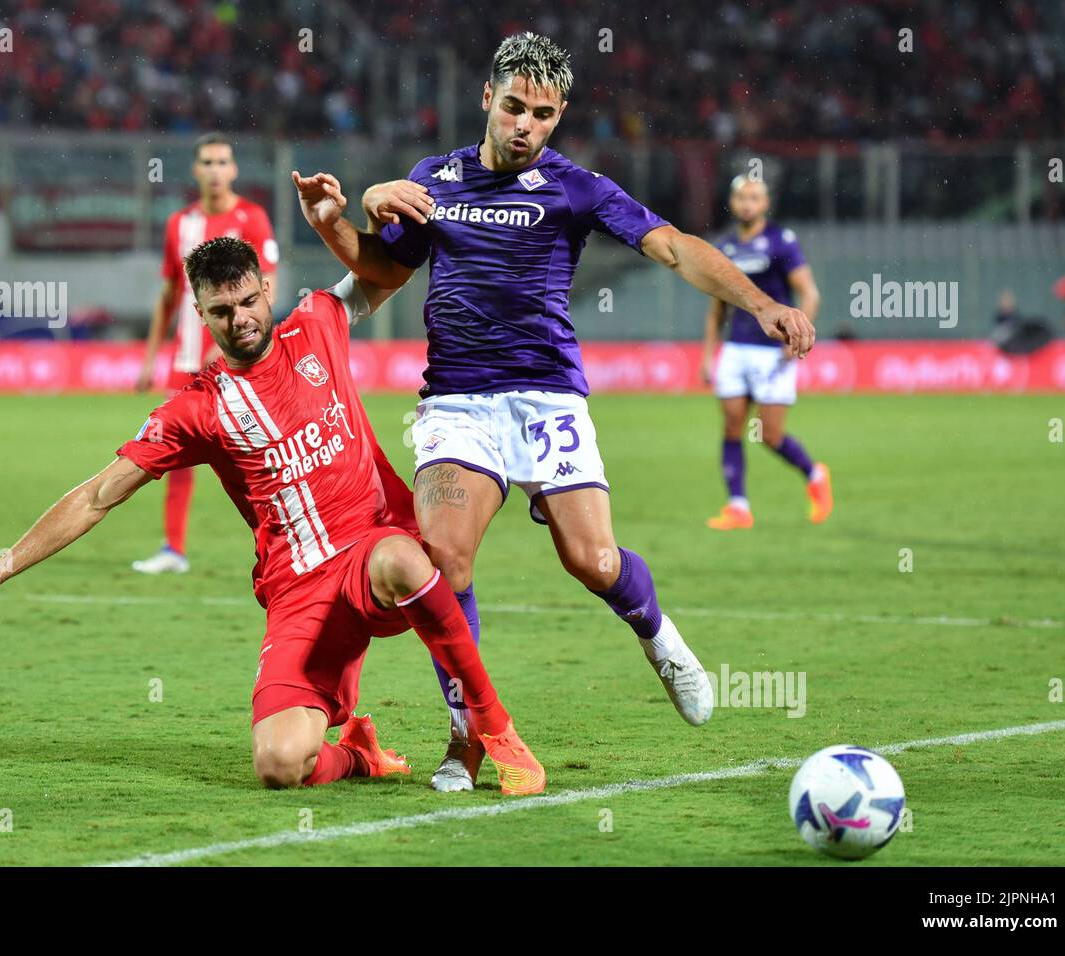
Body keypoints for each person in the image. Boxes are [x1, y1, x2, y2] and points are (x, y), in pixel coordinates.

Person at [295, 32, 815, 792]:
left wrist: (762, 301)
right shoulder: (434, 179)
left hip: (546, 396)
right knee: (444, 560)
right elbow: (384, 271)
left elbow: (672, 248)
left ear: (559, 114)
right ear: (487, 99)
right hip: (458, 400)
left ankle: (660, 639)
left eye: (542, 114)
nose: (524, 127)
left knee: (593, 561)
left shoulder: (577, 188)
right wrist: (337, 219)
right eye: (513, 107)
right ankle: (466, 736)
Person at [0, 225, 545, 796]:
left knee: (405, 558)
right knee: (278, 764)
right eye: (222, 310)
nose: (240, 319)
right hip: (299, 591)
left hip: (372, 557)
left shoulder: (319, 322)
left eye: (248, 301)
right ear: (200, 314)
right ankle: (360, 755)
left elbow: (391, 268)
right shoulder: (196, 410)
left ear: (264, 289)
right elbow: (96, 495)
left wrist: (351, 214)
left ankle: (495, 730)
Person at [132, 132, 279, 575]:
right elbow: (169, 295)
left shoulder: (252, 219)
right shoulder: (179, 224)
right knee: (173, 453)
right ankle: (173, 549)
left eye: (222, 162)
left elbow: (268, 287)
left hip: (242, 362)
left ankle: (286, 543)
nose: (215, 171)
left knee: (261, 453)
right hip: (188, 363)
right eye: (207, 163)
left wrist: (235, 339)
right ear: (195, 171)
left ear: (233, 170)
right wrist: (149, 357)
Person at [699, 176, 831, 530]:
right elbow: (717, 309)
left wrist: (795, 338)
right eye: (741, 197)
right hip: (736, 349)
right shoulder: (725, 248)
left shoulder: (780, 242)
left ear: (765, 203)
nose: (747, 203)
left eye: (754, 197)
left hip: (772, 352)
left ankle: (815, 474)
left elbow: (810, 294)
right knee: (731, 427)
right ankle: (738, 506)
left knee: (769, 435)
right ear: (732, 201)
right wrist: (709, 354)